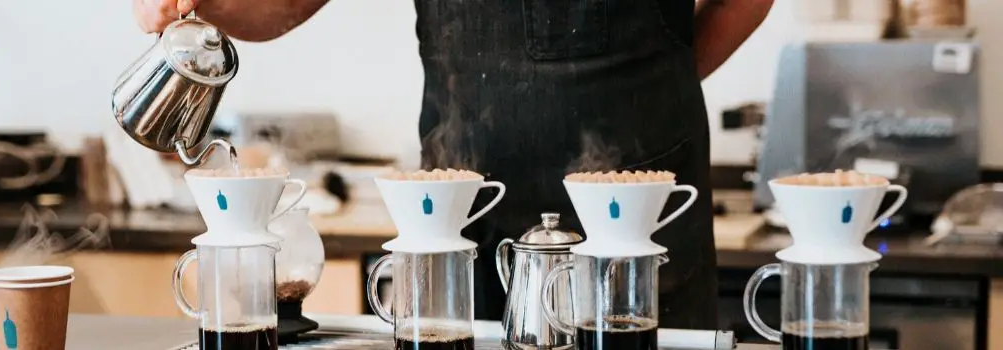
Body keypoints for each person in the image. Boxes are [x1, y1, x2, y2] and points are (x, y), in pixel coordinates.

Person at [134, 0, 773, 329]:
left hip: (640, 211)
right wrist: (201, 1)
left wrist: (655, 92)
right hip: (459, 216)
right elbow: (283, 5)